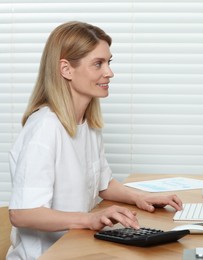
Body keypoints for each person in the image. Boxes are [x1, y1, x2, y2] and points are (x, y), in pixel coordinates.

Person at [7, 21, 183, 259]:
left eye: (108, 62)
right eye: (98, 64)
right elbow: (22, 213)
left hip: (77, 247)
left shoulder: (87, 123)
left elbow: (103, 184)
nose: (109, 72)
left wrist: (143, 197)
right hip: (47, 255)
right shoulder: (44, 128)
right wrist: (89, 219)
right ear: (66, 69)